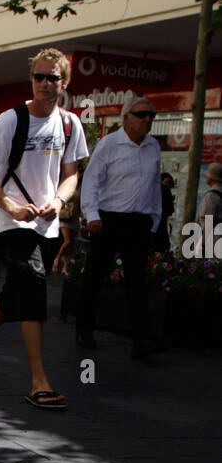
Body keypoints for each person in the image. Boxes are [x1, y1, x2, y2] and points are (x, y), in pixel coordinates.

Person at [0, 47, 86, 407]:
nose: (45, 84)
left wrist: (59, 202)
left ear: (64, 82)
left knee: (17, 290)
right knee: (33, 290)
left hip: (47, 222)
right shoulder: (10, 120)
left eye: (53, 78)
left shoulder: (69, 124)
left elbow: (71, 174)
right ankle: (39, 381)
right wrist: (11, 205)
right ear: (31, 79)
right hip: (13, 222)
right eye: (39, 77)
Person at [76, 98, 162, 359]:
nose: (147, 119)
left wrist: (154, 219)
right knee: (94, 277)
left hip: (138, 222)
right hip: (108, 219)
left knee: (137, 282)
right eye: (142, 115)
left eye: (151, 115)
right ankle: (84, 330)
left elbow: (155, 185)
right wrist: (92, 214)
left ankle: (141, 340)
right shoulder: (109, 144)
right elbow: (91, 181)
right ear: (126, 118)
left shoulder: (153, 146)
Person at [197, 162, 222, 258]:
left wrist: (202, 245)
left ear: (211, 178)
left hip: (212, 242)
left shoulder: (211, 195)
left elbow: (208, 221)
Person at [152, 171, 176, 252]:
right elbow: (170, 210)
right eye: (166, 182)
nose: (168, 185)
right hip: (160, 232)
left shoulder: (154, 190)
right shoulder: (165, 191)